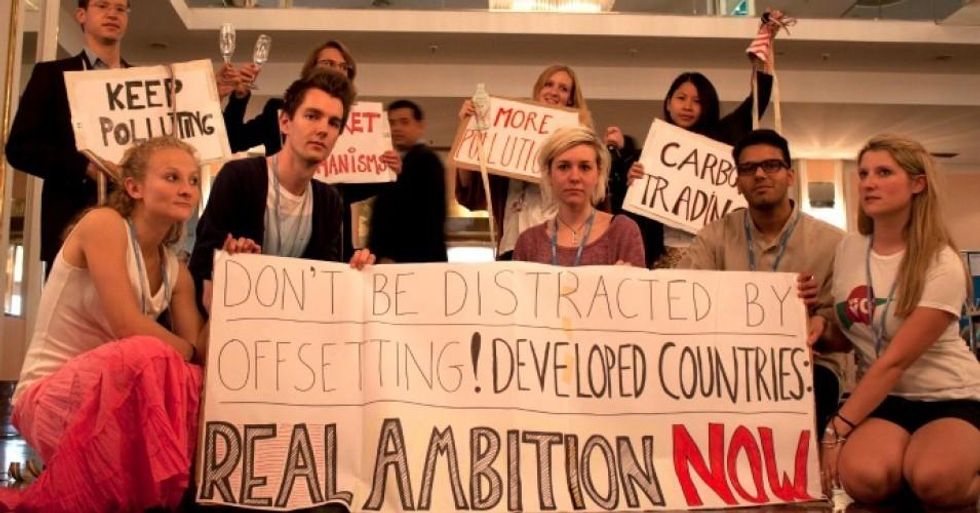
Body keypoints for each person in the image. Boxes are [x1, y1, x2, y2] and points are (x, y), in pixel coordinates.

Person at [0, 136, 206, 512]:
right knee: (148, 354)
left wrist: (223, 291)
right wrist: (184, 354)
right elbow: (128, 324)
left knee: (192, 380)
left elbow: (197, 360)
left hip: (115, 395)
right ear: (133, 187)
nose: (186, 189)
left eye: (193, 181)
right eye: (172, 177)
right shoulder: (103, 224)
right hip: (49, 400)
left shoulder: (178, 271)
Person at [816, 135, 980, 508]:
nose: (869, 182)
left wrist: (835, 430)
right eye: (863, 174)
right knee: (864, 480)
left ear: (917, 184)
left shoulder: (941, 262)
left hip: (949, 397)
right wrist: (821, 329)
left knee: (937, 481)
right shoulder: (850, 248)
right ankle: (910, 466)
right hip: (886, 400)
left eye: (884, 172)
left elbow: (896, 360)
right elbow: (853, 330)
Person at [679, 129, 846, 434]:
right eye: (748, 168)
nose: (759, 174)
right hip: (728, 364)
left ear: (790, 175)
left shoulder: (833, 243)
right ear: (737, 181)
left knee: (809, 391)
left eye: (771, 165)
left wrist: (816, 321)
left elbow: (847, 333)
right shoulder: (714, 236)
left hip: (808, 368)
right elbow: (684, 298)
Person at [190, 69, 375, 313]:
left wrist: (351, 273)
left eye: (333, 123)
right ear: (285, 122)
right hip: (229, 328)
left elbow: (322, 281)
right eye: (312, 116)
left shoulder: (328, 200)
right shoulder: (239, 177)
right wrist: (227, 264)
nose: (323, 129)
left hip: (291, 336)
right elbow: (203, 265)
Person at [610, 27, 779, 268]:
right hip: (661, 259)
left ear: (708, 106)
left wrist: (762, 60)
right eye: (681, 98)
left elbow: (755, 104)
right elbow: (622, 213)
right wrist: (630, 181)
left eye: (697, 101)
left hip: (712, 257)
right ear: (668, 104)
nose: (688, 106)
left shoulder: (721, 139)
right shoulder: (648, 153)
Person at [220, 40, 399, 261]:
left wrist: (386, 173)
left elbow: (347, 189)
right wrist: (238, 99)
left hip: (322, 237)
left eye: (344, 67)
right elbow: (232, 140)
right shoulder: (279, 112)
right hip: (262, 236)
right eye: (328, 63)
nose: (336, 70)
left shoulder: (352, 123)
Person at [5, 0, 131, 276]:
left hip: (131, 227)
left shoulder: (141, 82)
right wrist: (83, 167)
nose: (113, 13)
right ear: (81, 15)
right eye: (103, 6)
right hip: (69, 223)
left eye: (121, 9)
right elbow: (19, 149)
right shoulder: (50, 76)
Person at [456, 64, 592, 261]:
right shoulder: (510, 133)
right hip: (511, 246)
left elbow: (594, 197)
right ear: (538, 90)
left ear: (571, 99)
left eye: (563, 88)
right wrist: (467, 128)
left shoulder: (580, 142)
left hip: (559, 247)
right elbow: (469, 187)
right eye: (548, 85)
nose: (554, 92)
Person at [513, 126, 644, 267]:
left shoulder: (623, 232)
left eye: (585, 167)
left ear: (598, 174)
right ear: (549, 173)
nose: (574, 177)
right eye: (563, 167)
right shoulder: (528, 242)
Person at [367, 99, 448, 263]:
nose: (396, 128)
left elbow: (425, 217)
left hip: (414, 262)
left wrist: (391, 254)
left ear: (420, 126)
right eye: (391, 123)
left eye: (404, 122)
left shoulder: (426, 160)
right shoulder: (387, 164)